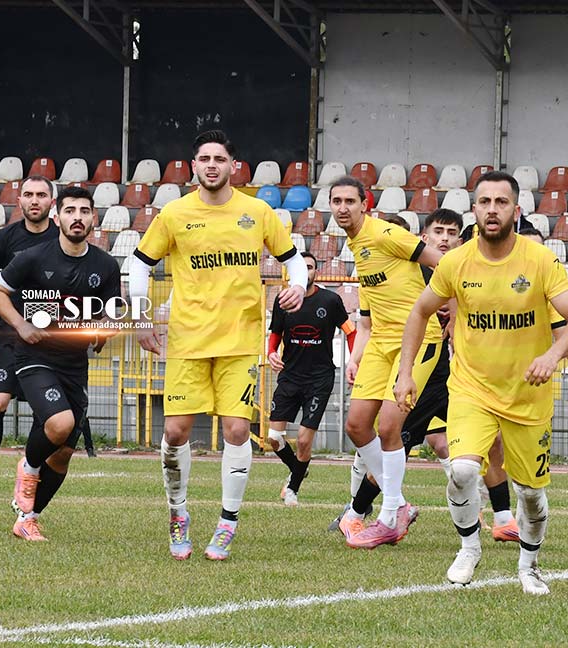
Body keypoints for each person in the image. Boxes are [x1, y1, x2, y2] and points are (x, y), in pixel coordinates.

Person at [394, 170, 568, 595]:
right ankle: (469, 547)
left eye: (501, 202)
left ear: (515, 211)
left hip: (527, 395)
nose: (492, 209)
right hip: (472, 389)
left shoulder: (540, 260)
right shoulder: (455, 262)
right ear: (475, 210)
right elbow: (420, 312)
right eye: (485, 202)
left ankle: (529, 566)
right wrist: (405, 372)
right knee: (462, 470)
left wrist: (552, 355)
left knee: (530, 495)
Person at [129, 130, 307, 561]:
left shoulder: (257, 211)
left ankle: (228, 522)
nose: (212, 165)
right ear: (194, 166)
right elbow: (139, 263)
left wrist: (299, 286)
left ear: (234, 166)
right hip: (187, 339)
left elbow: (293, 259)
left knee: (238, 430)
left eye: (220, 158)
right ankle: (178, 514)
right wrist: (139, 317)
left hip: (240, 341)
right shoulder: (174, 213)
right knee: (175, 431)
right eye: (205, 159)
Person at [0, 185, 121, 540]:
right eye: (70, 211)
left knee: (62, 454)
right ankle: (29, 466)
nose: (78, 218)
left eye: (84, 211)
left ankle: (27, 519)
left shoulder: (106, 265)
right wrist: (20, 325)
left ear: (94, 218)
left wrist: (104, 329)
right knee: (60, 424)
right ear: (58, 217)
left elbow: (111, 312)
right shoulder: (32, 257)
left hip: (75, 364)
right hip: (34, 357)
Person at [329, 175, 443, 549]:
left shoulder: (385, 234)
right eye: (336, 201)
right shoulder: (356, 244)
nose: (343, 208)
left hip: (417, 339)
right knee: (357, 424)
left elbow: (442, 263)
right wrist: (357, 355)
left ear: (365, 204)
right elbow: (368, 314)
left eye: (350, 201)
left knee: (390, 426)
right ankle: (401, 505)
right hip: (381, 341)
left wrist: (452, 309)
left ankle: (390, 516)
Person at [0, 175, 59, 513]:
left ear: (52, 202)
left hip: (52, 339)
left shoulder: (61, 238)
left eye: (41, 194)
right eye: (28, 194)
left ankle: (28, 477)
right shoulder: (4, 238)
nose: (34, 200)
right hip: (11, 335)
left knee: (47, 415)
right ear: (19, 200)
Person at [267, 251, 356, 506]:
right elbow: (275, 334)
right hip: (290, 377)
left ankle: (292, 489)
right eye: (302, 267)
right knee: (274, 438)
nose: (306, 272)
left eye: (310, 267)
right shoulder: (283, 301)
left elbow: (351, 332)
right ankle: (298, 468)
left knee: (304, 441)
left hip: (319, 379)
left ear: (316, 272)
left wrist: (354, 360)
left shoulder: (330, 300)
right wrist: (271, 352)